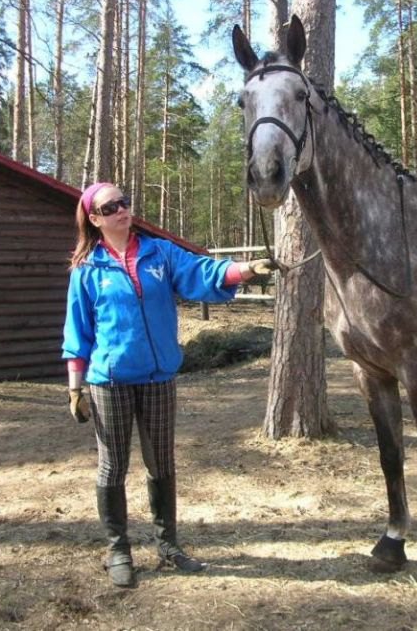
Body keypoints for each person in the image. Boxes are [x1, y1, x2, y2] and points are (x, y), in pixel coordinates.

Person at [62, 182, 276, 588]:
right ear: (94, 219)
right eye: (111, 207)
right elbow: (78, 332)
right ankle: (118, 550)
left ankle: (169, 546)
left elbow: (201, 272)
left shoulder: (158, 252)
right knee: (113, 467)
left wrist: (246, 269)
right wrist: (76, 388)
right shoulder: (86, 269)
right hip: (109, 382)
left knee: (161, 463)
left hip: (159, 377)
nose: (122, 210)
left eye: (124, 202)